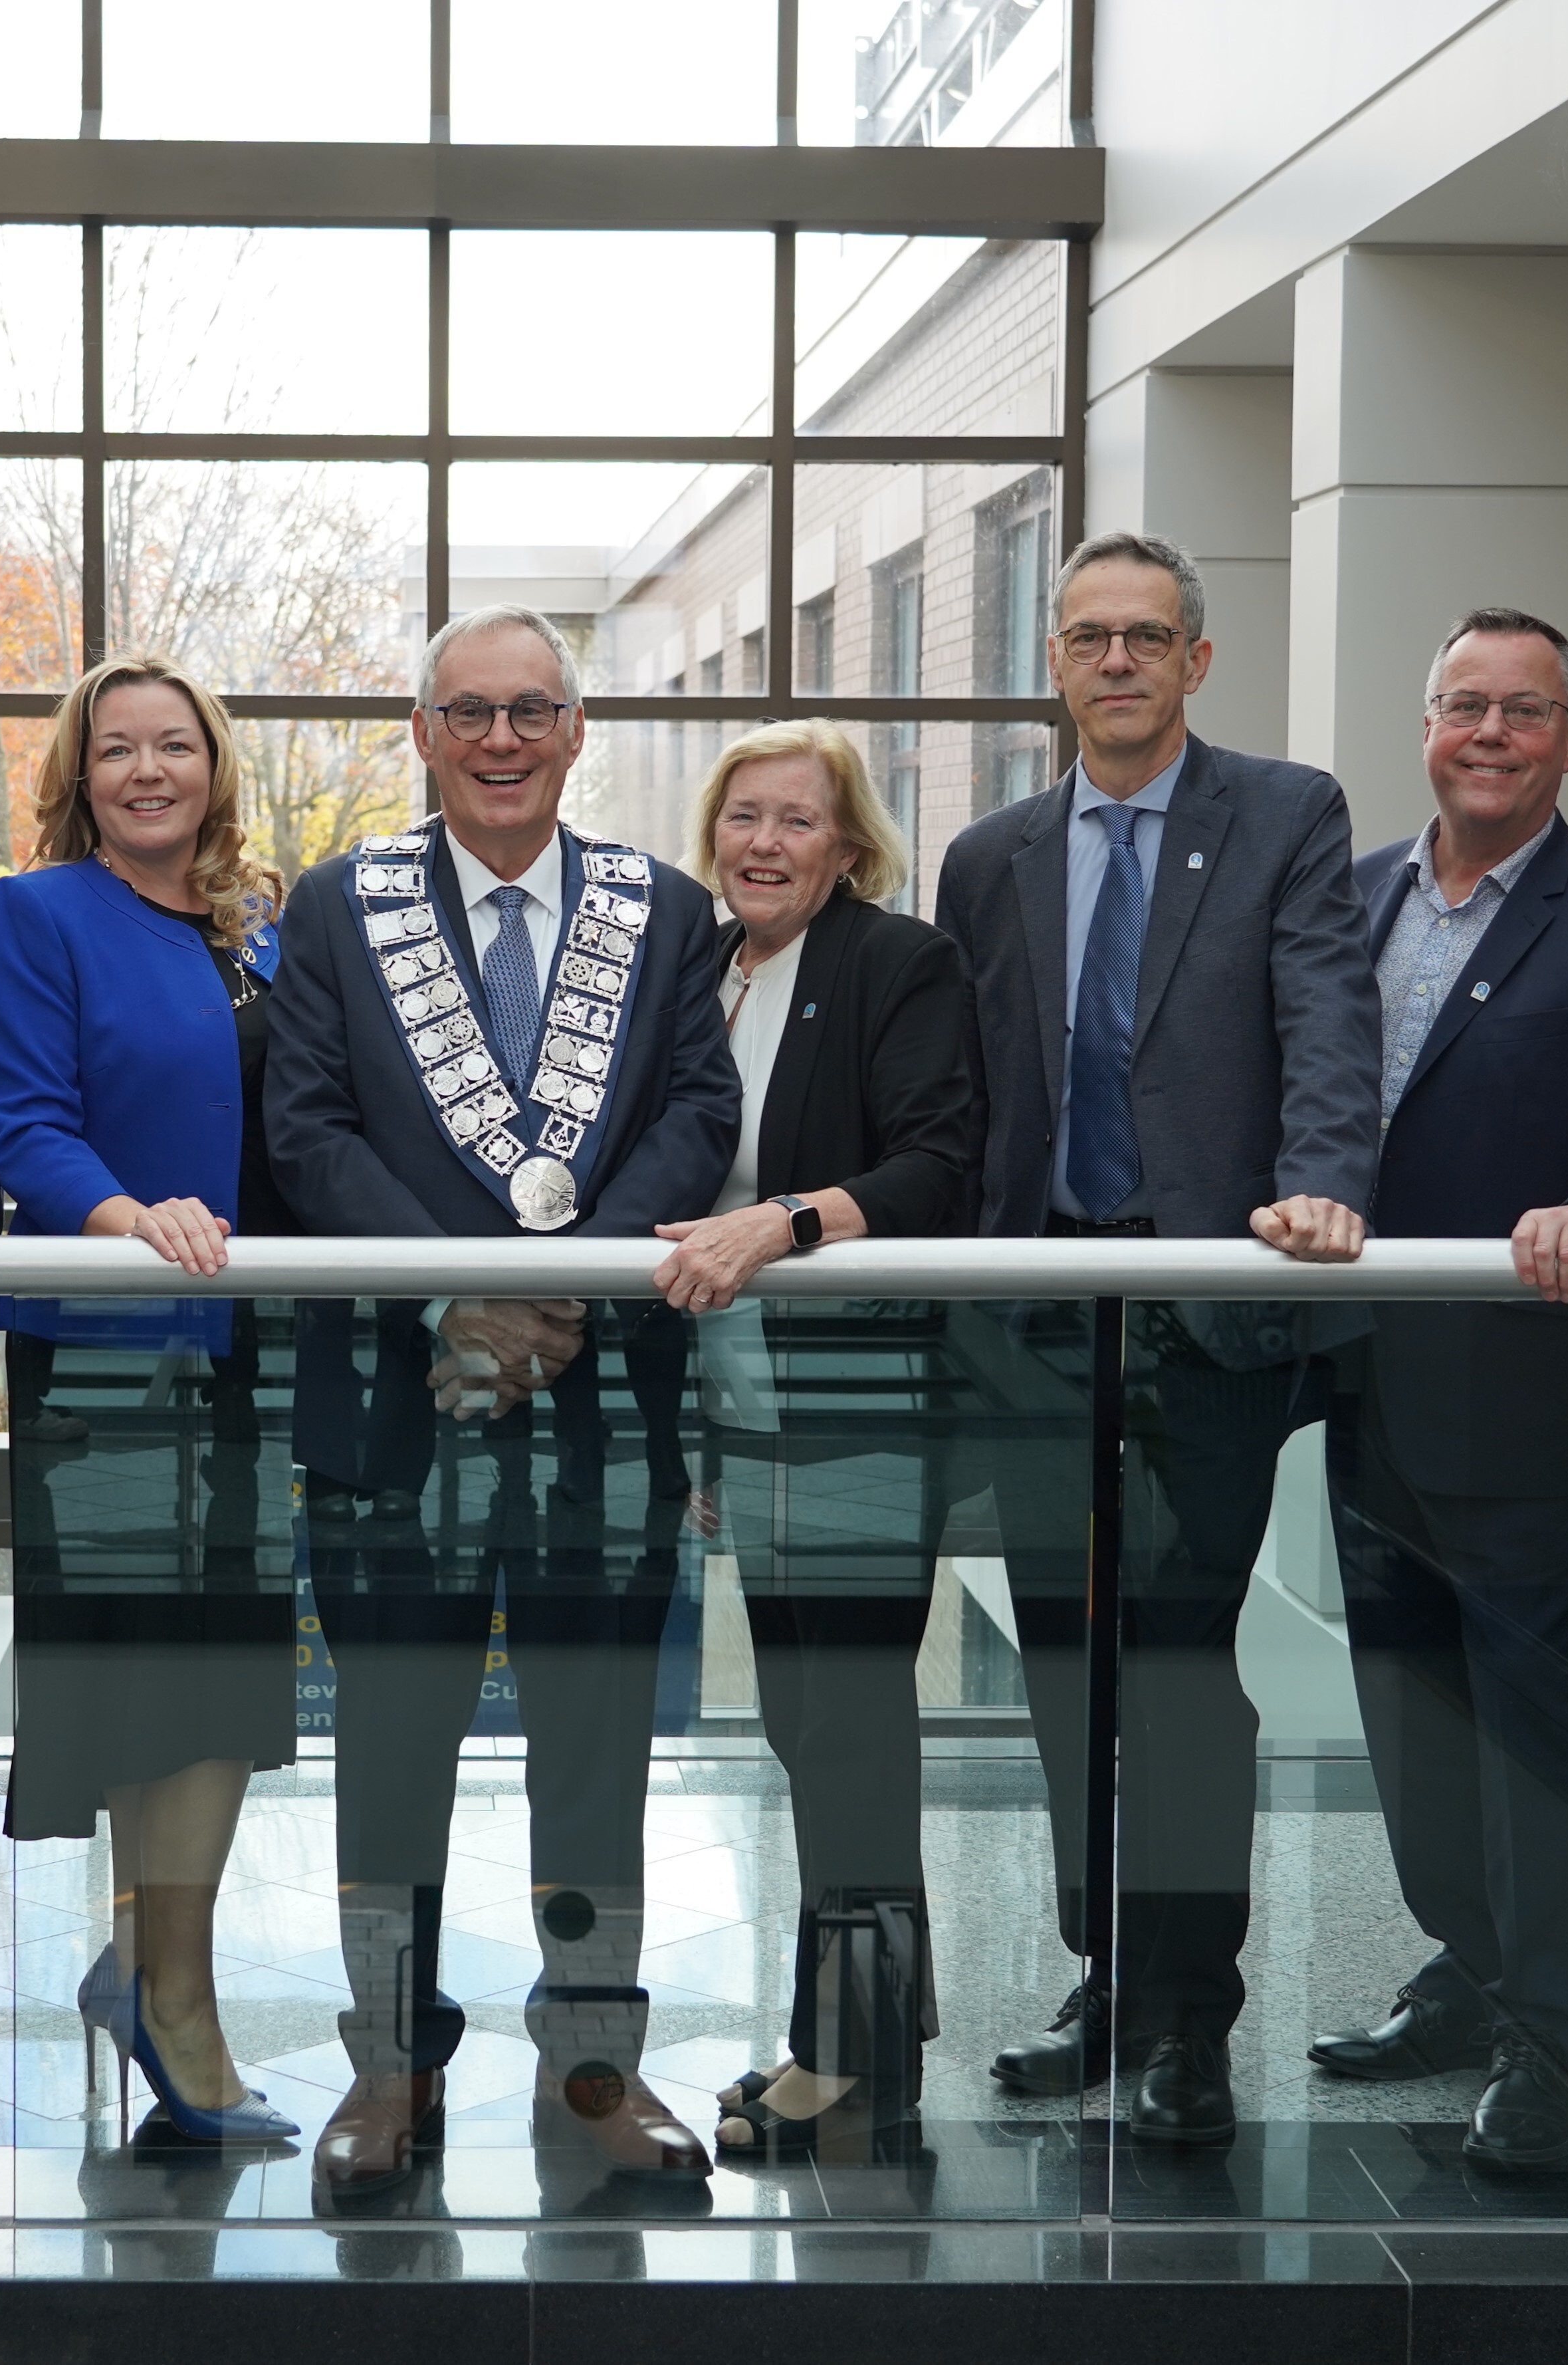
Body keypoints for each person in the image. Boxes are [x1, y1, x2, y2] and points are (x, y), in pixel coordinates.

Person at [265, 604, 740, 2201]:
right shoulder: (340, 908)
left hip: (602, 1398)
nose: (501, 742)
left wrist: (570, 1295)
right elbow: (308, 1127)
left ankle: (596, 2067)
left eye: (532, 711)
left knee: (599, 1750)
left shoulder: (663, 912)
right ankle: (391, 2068)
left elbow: (695, 1109)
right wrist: (455, 1290)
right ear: (422, 734)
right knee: (387, 1747)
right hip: (397, 1397)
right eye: (467, 713)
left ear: (579, 730)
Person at [931, 529, 1379, 2142]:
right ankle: (1105, 1972)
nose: (1115, 661)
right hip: (1035, 1320)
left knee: (1180, 1672)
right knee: (1063, 1669)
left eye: (1147, 636)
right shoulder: (988, 856)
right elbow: (970, 1092)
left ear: (1198, 660)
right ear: (1054, 662)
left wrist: (1324, 1186)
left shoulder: (1285, 814)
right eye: (1087, 637)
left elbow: (1330, 1013)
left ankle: (1191, 2014)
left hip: (1204, 1317)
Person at [1303, 610, 1568, 2169]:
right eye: (1464, 704)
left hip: (1529, 1396)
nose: (1490, 732)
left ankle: (1548, 2040)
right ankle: (1470, 1974)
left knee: (1530, 1734)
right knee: (1408, 1720)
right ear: (1426, 724)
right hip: (1364, 1387)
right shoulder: (1347, 905)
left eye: (1524, 711)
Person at [0, 654, 298, 2147]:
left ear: (215, 768)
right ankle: (176, 1999)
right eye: (120, 751)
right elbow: (24, 1128)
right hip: (107, 1345)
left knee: (226, 1680)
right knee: (140, 1676)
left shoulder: (258, 933)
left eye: (177, 747)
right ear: (80, 773)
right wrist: (127, 1221)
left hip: (243, 1353)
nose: (150, 772)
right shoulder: (37, 915)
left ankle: (159, 1970)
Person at [642, 721, 980, 2162]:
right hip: (743, 1407)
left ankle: (849, 2063)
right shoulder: (702, 975)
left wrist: (778, 1227)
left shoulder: (897, 964)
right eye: (744, 819)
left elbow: (939, 1163)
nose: (765, 845)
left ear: (849, 846)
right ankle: (855, 2035)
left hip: (856, 1401)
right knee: (802, 1722)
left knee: (847, 1725)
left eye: (798, 822)